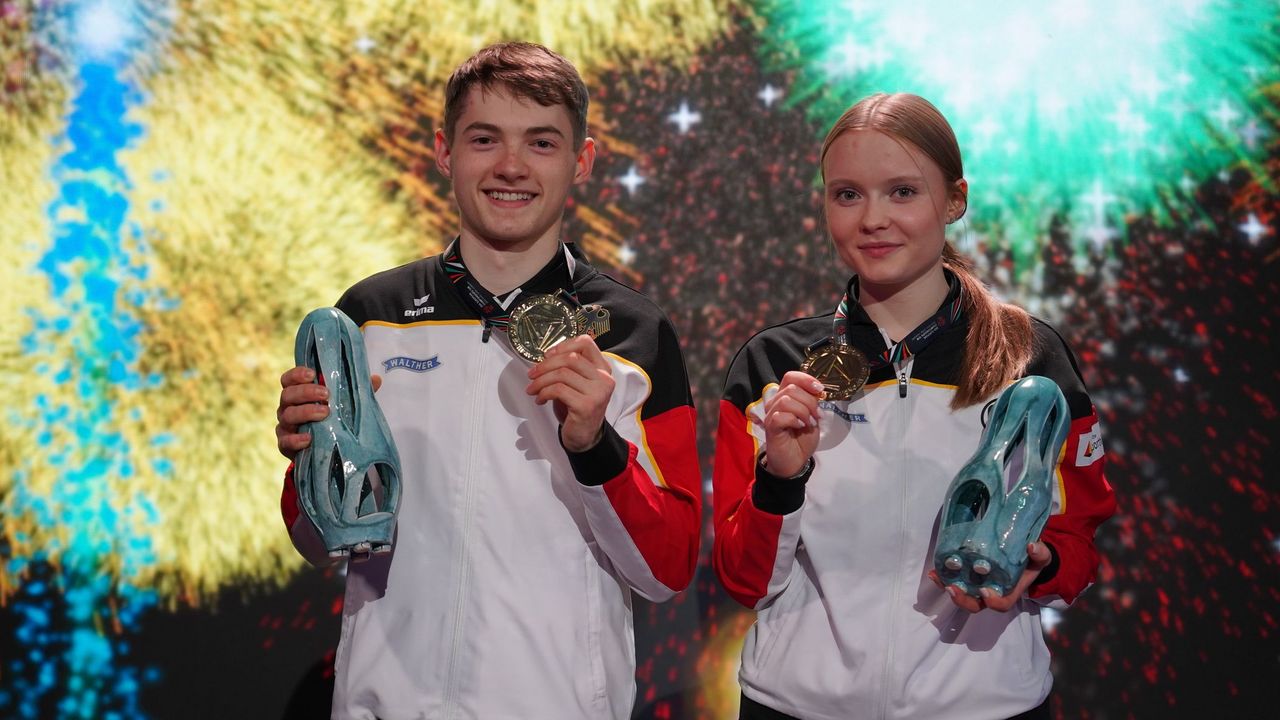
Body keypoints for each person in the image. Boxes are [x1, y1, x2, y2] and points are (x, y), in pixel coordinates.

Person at [273, 42, 702, 720]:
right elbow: (316, 544)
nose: (510, 166)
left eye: (541, 143)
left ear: (579, 162)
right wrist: (310, 466)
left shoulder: (632, 335)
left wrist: (597, 449)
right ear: (445, 153)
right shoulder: (370, 316)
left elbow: (667, 571)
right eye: (485, 139)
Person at [711, 93, 1116, 720]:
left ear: (955, 199)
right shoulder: (774, 366)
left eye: (902, 191)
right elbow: (746, 581)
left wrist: (1045, 563)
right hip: (796, 706)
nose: (873, 218)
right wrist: (780, 480)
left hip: (984, 706)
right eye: (847, 194)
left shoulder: (1028, 359)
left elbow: (1079, 545)